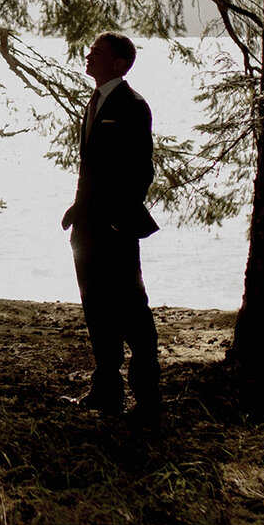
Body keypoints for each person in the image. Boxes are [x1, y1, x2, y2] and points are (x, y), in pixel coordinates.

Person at [60, 31, 162, 422]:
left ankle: (148, 398)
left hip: (116, 228)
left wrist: (120, 220)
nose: (88, 56)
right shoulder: (94, 102)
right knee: (96, 308)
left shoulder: (133, 106)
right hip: (87, 226)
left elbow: (141, 170)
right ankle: (106, 391)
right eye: (90, 51)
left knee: (132, 309)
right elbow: (92, 168)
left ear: (119, 64)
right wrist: (77, 208)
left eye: (97, 53)